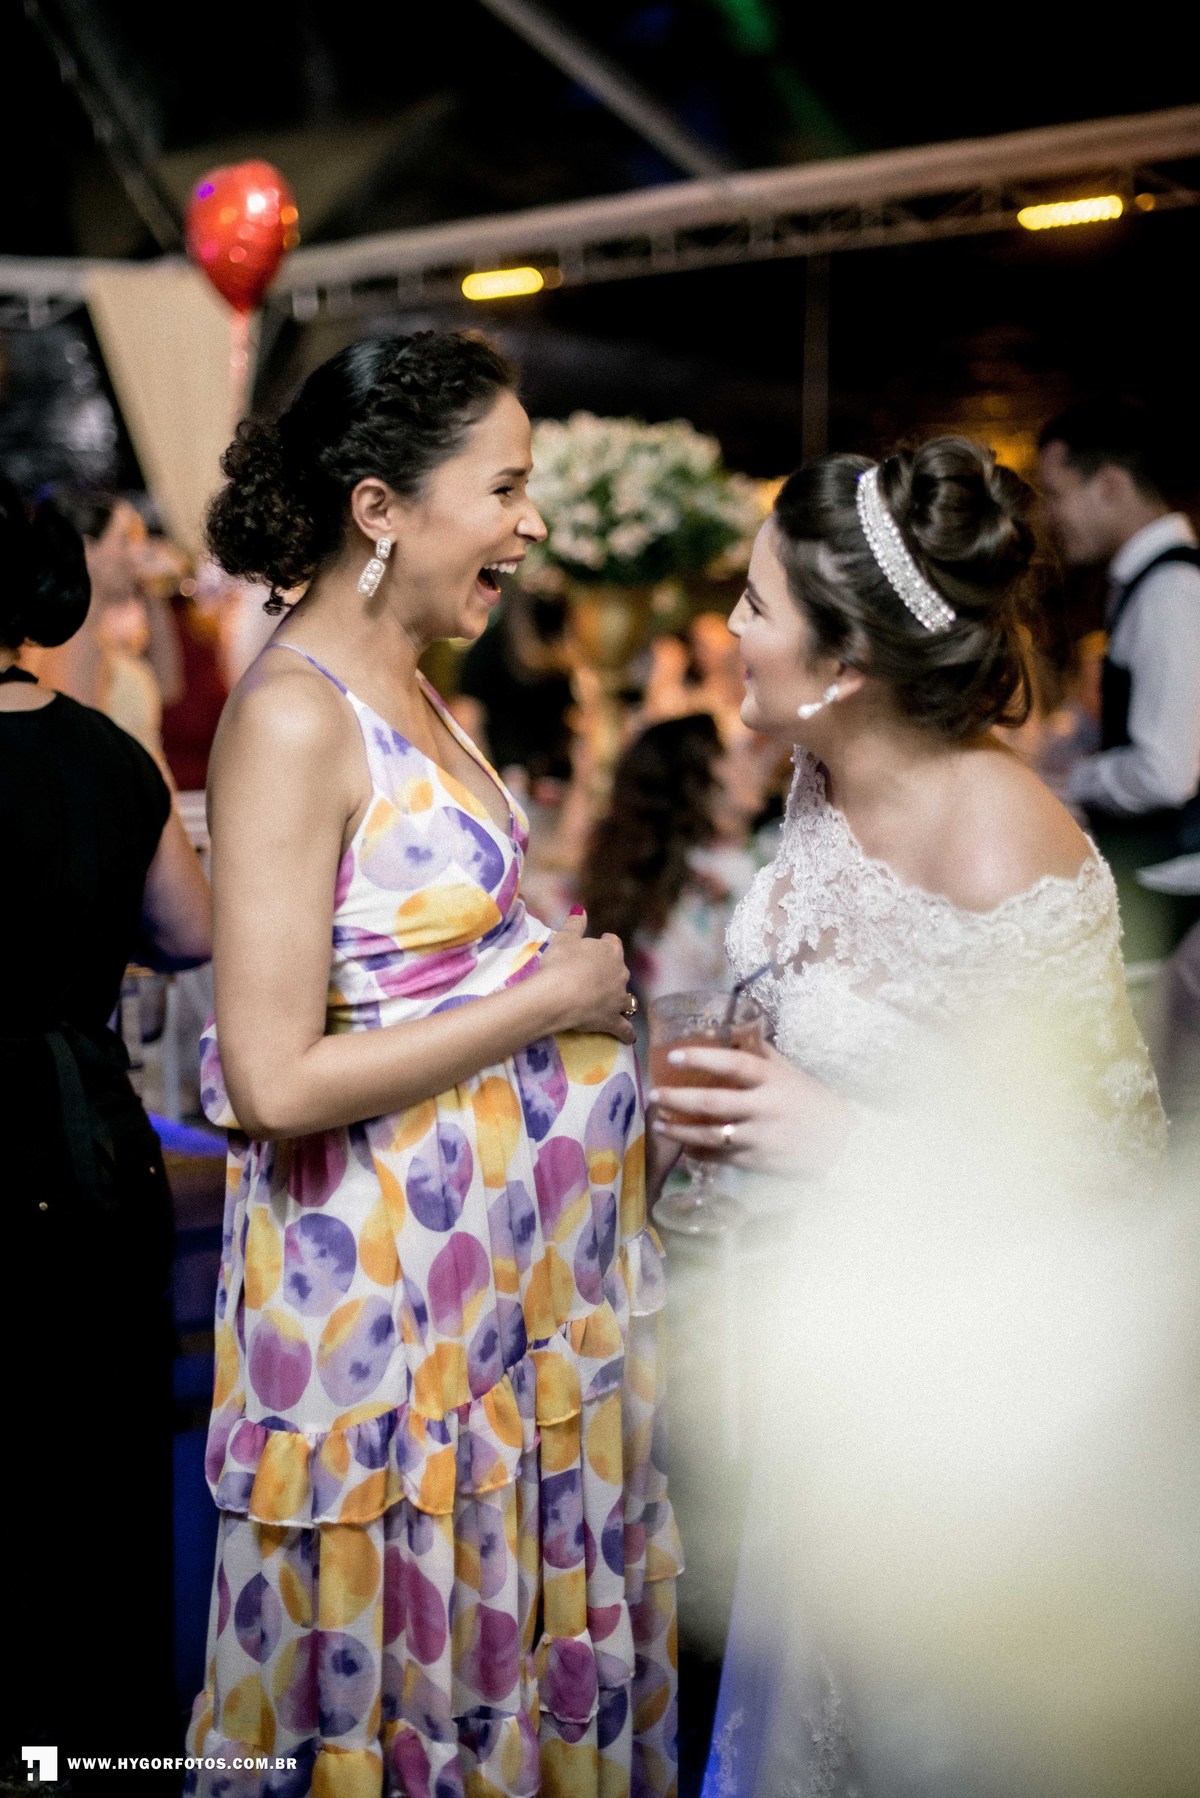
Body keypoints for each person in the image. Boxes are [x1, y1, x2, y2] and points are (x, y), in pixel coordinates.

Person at [184, 331, 680, 1796]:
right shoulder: (293, 717)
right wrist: (546, 1004)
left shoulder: (407, 680)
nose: (534, 523)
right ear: (381, 508)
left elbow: (417, 960)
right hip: (379, 1318)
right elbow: (274, 1080)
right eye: (505, 487)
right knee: (394, 1693)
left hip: (489, 1314)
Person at [646, 439, 1163, 1797]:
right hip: (832, 1358)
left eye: (755, 603)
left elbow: (1111, 1187)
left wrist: (834, 1136)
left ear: (847, 664)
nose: (728, 628)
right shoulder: (821, 777)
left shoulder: (1005, 843)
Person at [0, 476, 212, 1783]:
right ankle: (93, 1760)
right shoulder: (108, 755)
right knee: (97, 1492)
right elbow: (190, 933)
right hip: (90, 1155)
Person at [1038, 399, 1200, 959]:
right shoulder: (1151, 584)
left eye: (1055, 494)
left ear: (1110, 485)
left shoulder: (1170, 591)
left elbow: (1165, 773)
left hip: (1172, 891)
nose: (1049, 517)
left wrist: (1065, 782)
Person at [578, 713, 763, 1004]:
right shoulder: (702, 895)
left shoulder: (680, 879)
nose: (746, 757)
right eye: (727, 752)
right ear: (700, 785)